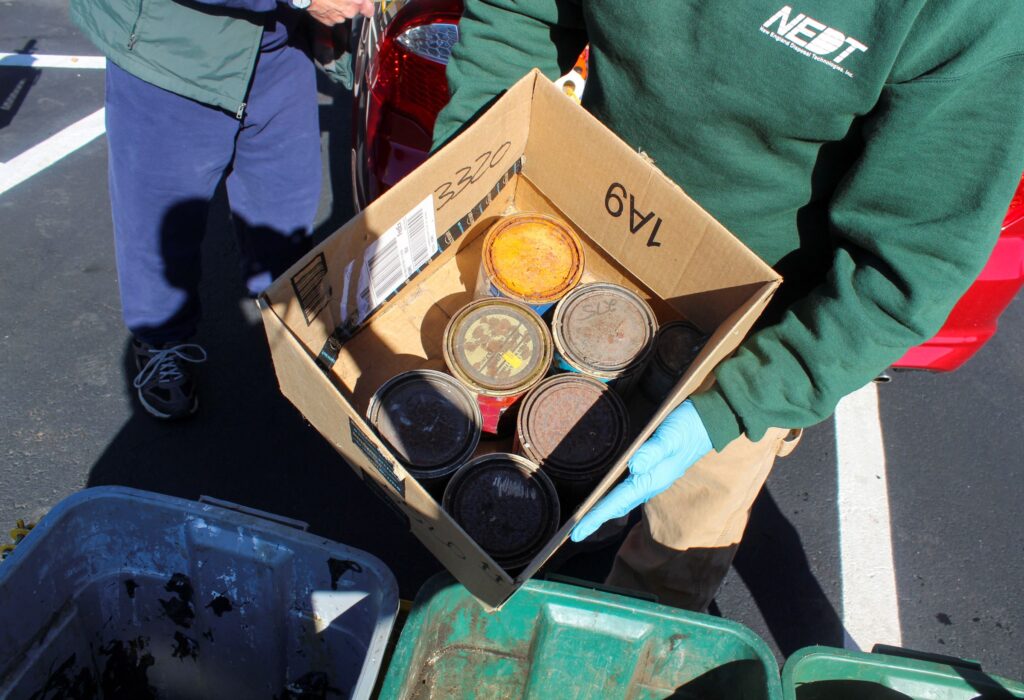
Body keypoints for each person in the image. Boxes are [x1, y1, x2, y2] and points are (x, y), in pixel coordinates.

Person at [434, 1, 1024, 610]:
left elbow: (906, 269)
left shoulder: (972, 14)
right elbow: (515, 14)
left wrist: (735, 409)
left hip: (751, 340)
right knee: (529, 465)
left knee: (670, 568)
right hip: (582, 245)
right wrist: (471, 171)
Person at [70, 0, 373, 419]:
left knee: (286, 212)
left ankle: (288, 333)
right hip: (173, 49)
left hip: (279, 47)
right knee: (160, 226)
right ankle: (160, 341)